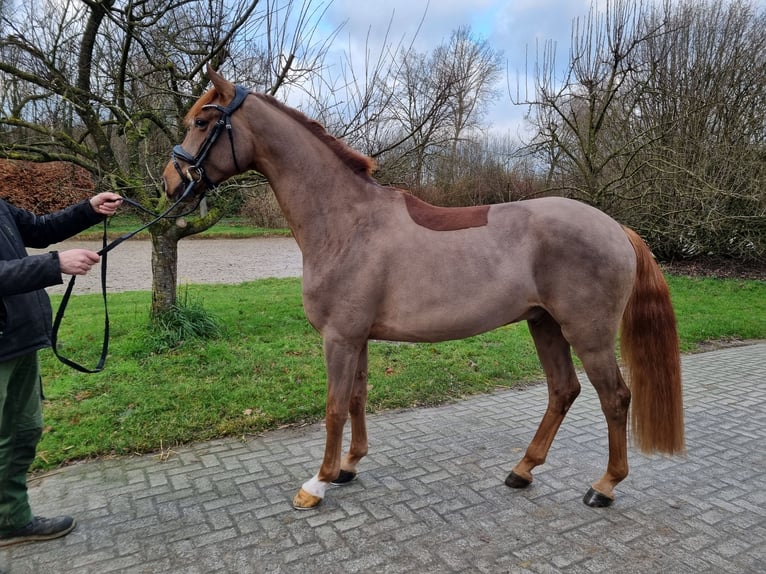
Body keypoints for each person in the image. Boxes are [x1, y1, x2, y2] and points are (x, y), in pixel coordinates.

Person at [0, 191, 122, 547]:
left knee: (22, 432)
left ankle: (11, 519)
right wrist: (54, 265)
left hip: (16, 339)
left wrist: (88, 210)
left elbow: (38, 229)